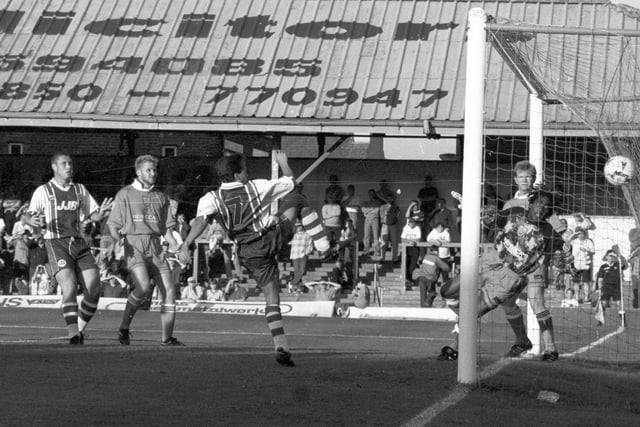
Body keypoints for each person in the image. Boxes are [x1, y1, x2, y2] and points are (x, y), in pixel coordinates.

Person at [179, 151, 332, 367]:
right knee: (297, 197)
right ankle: (323, 245)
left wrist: (187, 243)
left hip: (248, 252)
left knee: (272, 297)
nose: (247, 174)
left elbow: (200, 222)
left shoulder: (210, 199)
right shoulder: (256, 187)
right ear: (237, 175)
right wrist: (284, 164)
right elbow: (292, 183)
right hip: (269, 238)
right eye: (245, 170)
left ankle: (281, 345)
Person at [439, 190, 563, 362]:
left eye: (546, 206)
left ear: (550, 212)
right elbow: (493, 216)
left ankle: (550, 348)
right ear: (531, 202)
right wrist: (476, 209)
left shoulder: (548, 233)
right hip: (490, 259)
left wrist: (565, 259)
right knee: (446, 292)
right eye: (538, 203)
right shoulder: (515, 212)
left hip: (510, 277)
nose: (541, 208)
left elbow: (560, 252)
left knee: (532, 304)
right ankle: (521, 341)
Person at [25, 153, 113, 344]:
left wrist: (102, 213)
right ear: (54, 167)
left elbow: (94, 215)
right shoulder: (44, 191)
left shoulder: (79, 190)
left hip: (78, 242)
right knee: (69, 284)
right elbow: (28, 215)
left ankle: (79, 329)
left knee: (94, 287)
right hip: (56, 242)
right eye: (64, 164)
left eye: (70, 164)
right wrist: (30, 220)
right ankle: (73, 333)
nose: (68, 167)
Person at [107, 155, 183, 346]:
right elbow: (113, 224)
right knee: (143, 287)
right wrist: (117, 240)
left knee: (169, 290)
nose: (153, 173)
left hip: (155, 248)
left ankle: (167, 338)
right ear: (138, 172)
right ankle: (124, 327)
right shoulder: (124, 194)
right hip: (134, 246)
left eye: (154, 170)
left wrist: (176, 245)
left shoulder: (161, 197)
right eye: (148, 170)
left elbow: (166, 228)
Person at [571, 227, 595, 304]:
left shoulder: (589, 241)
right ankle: (577, 298)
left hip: (585, 265)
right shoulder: (574, 241)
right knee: (576, 282)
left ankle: (586, 298)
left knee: (586, 282)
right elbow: (567, 240)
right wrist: (574, 234)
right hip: (576, 265)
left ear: (584, 234)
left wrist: (587, 250)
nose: (580, 235)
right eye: (578, 234)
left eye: (581, 233)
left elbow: (593, 251)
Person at [289, 221, 314, 293]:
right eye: (297, 226)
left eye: (299, 226)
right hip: (294, 254)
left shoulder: (307, 234)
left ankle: (292, 283)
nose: (298, 227)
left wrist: (307, 252)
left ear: (302, 226)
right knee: (297, 272)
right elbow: (288, 242)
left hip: (303, 254)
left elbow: (310, 245)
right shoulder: (293, 235)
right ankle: (298, 287)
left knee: (302, 270)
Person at [400, 217, 422, 289]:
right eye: (410, 223)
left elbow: (418, 239)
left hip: (415, 248)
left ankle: (408, 278)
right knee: (406, 263)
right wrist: (410, 241)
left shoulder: (417, 228)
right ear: (408, 223)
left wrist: (411, 240)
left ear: (415, 223)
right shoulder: (406, 228)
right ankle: (407, 279)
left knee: (413, 264)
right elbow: (403, 239)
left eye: (413, 223)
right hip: (406, 248)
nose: (412, 224)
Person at [378, 198, 400, 262]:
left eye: (391, 199)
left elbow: (396, 216)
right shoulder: (382, 207)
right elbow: (382, 216)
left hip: (393, 225)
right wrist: (389, 213)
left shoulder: (396, 207)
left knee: (394, 242)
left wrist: (388, 213)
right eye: (388, 199)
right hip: (385, 225)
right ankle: (382, 258)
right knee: (383, 242)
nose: (390, 200)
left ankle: (395, 258)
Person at [360, 189, 381, 256]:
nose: (371, 195)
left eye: (373, 193)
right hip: (367, 219)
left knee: (376, 235)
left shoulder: (378, 202)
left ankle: (377, 250)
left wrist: (368, 211)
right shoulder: (366, 203)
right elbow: (363, 210)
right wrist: (372, 209)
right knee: (366, 235)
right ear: (368, 194)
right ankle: (366, 250)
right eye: (370, 194)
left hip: (375, 219)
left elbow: (377, 210)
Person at [628, 228, 640, 309]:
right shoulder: (633, 232)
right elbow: (632, 239)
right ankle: (635, 304)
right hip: (635, 261)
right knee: (635, 284)